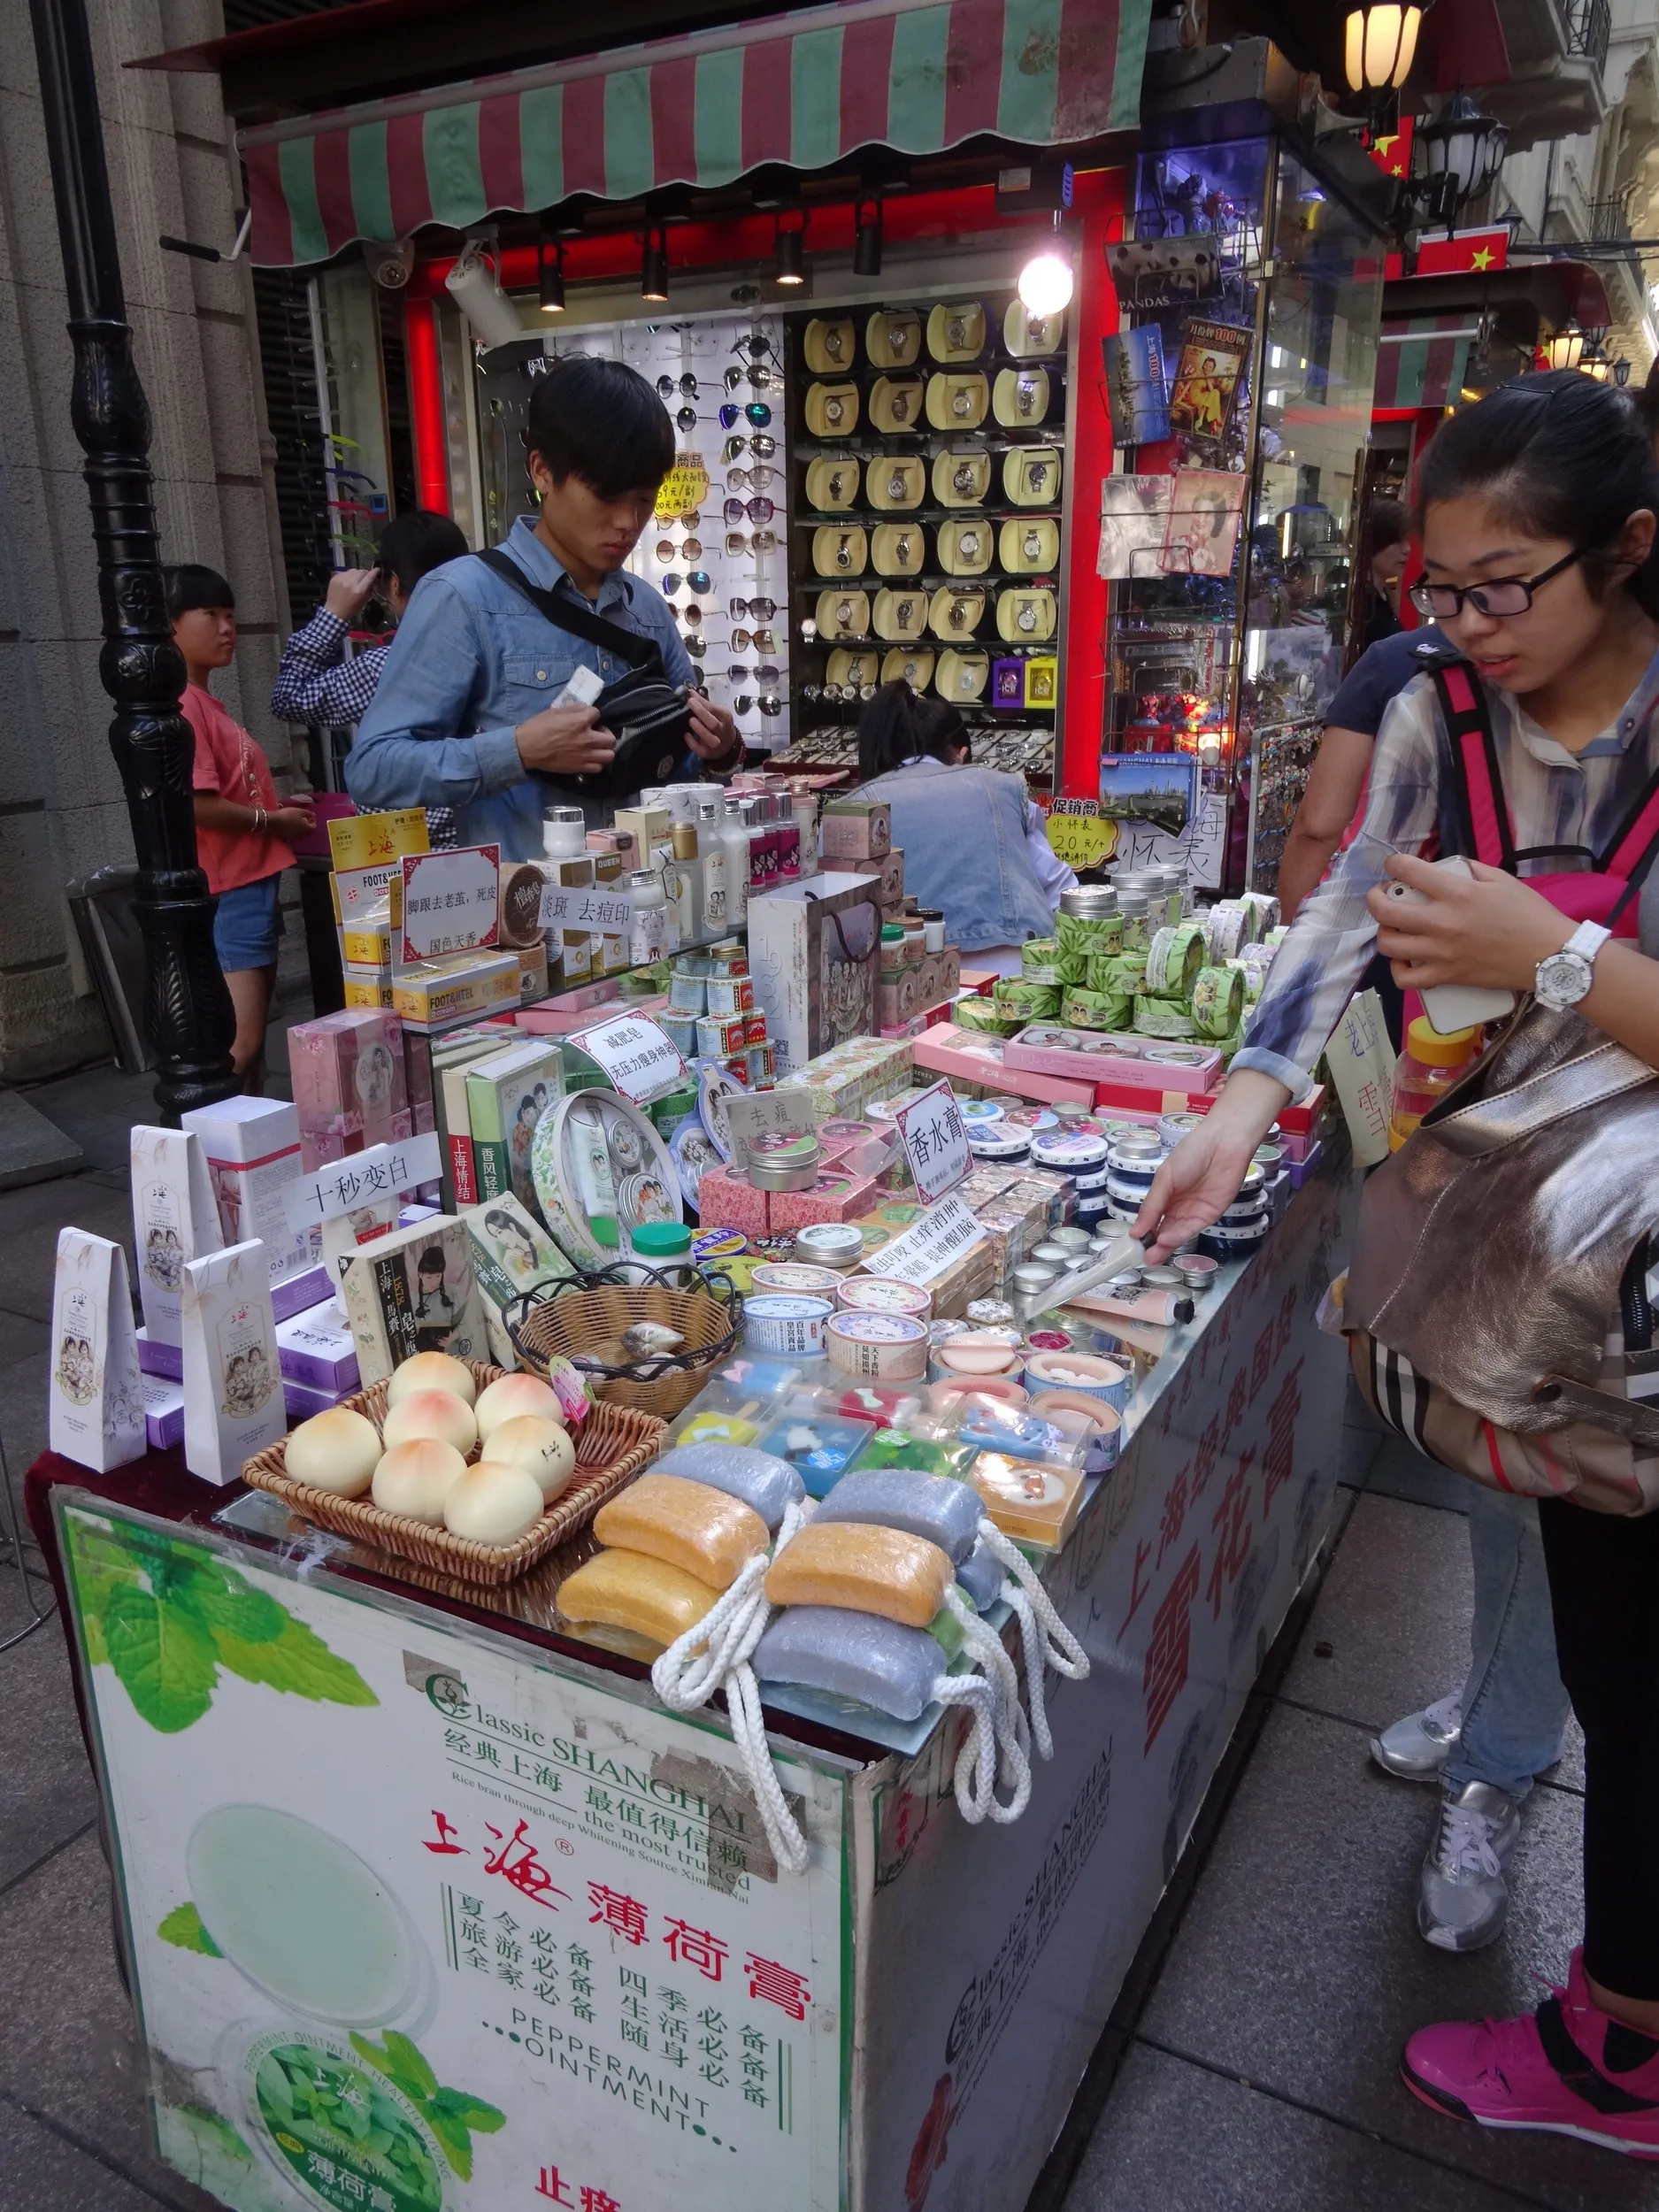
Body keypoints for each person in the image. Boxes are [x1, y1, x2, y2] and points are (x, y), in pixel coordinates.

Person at [1135, 370, 1659, 2154]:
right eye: (1440, 587)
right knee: (1609, 1639)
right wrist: (1246, 1100)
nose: (1467, 626)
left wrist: (1547, 954)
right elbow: (1347, 908)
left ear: (1626, 550)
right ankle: (1615, 2017)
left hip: (1642, 1279)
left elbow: (1531, 958)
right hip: (1527, 1265)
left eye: (1506, 586)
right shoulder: (1439, 709)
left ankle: (1619, 2058)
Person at [346, 357, 741, 855]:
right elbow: (373, 769)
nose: (628, 521)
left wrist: (720, 749)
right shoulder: (464, 597)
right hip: (530, 901)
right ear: (542, 471)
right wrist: (518, 750)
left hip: (649, 894)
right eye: (606, 496)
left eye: (645, 499)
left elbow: (678, 768)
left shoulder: (645, 607)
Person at [169, 564, 315, 1089]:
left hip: (248, 882)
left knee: (251, 1047)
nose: (227, 627)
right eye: (210, 614)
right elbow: (197, 804)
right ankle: (205, 1135)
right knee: (243, 1043)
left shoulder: (203, 701)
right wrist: (273, 821)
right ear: (169, 624)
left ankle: (247, 1138)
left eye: (230, 615)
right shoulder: (184, 704)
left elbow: (224, 793)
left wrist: (279, 808)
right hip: (231, 887)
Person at [849, 682, 1070, 957]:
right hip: (1018, 964)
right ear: (961, 756)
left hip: (905, 968)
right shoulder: (1001, 788)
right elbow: (1061, 889)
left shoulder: (855, 805)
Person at [1356, 494, 1411, 655]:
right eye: (1397, 541)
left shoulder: (1381, 598)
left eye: (1407, 540)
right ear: (1376, 541)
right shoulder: (1361, 607)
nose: (1407, 549)